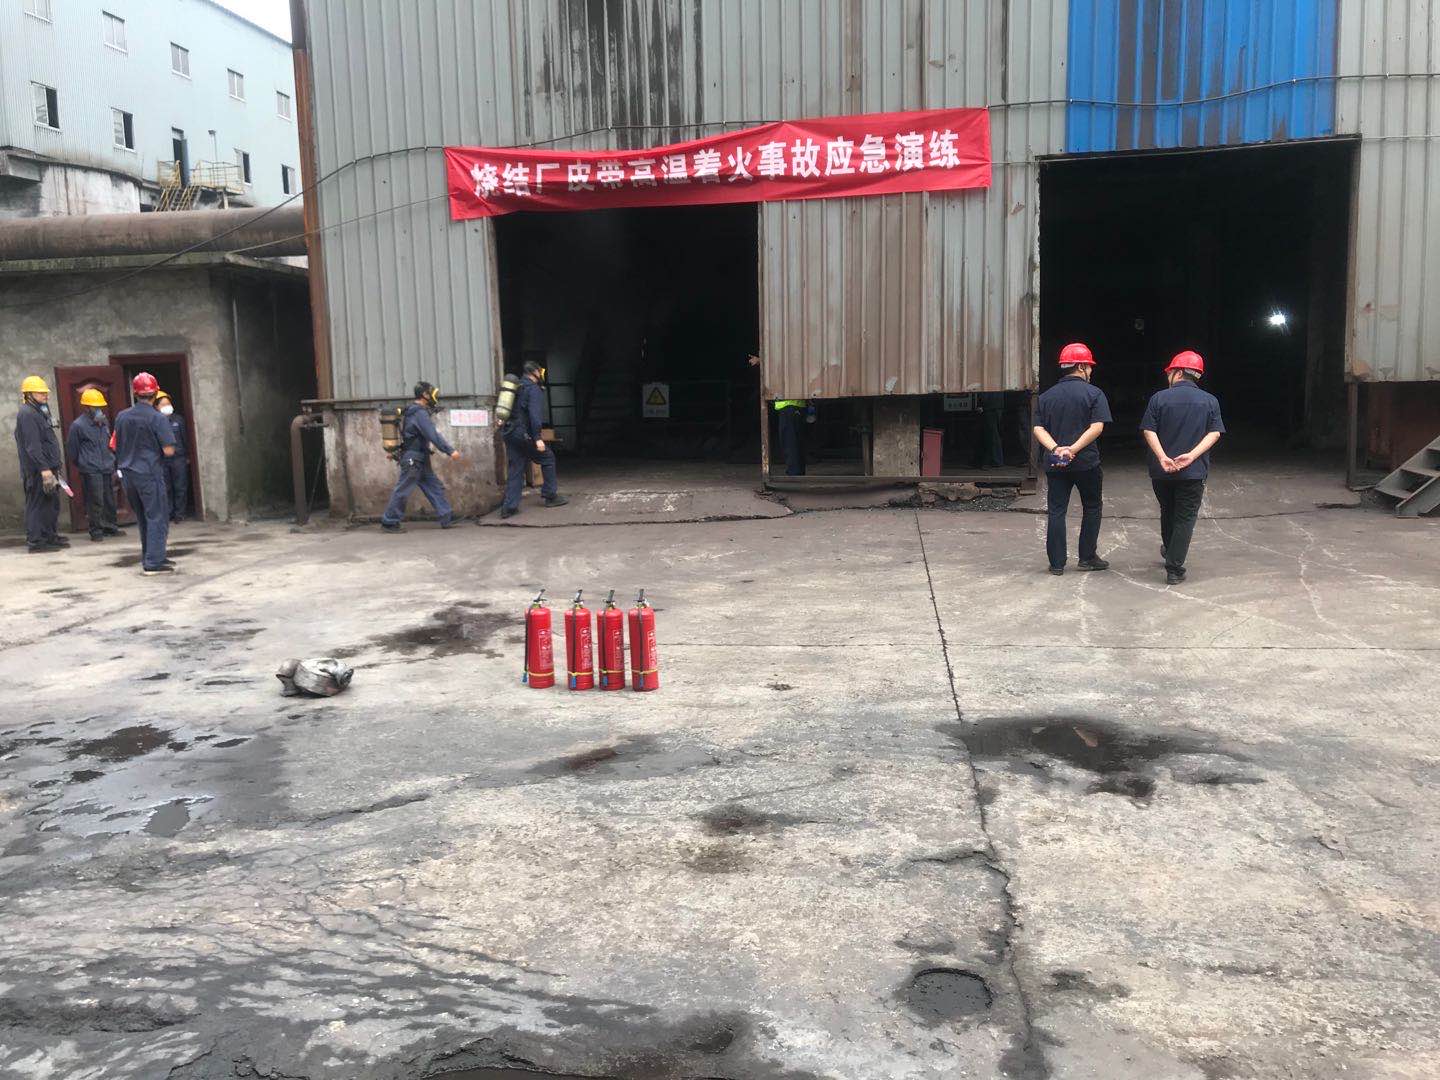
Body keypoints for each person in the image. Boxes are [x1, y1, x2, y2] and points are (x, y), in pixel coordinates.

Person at [1141, 350, 1225, 585]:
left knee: (1167, 510)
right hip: (1193, 471)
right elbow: (1215, 433)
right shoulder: (1210, 401)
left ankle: (1170, 551)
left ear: (1177, 372)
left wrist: (1162, 457)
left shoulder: (1158, 398)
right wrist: (1192, 456)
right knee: (1185, 517)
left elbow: (1149, 430)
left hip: (1161, 471)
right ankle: (1174, 568)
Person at [1032, 342, 1112, 576]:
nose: (1091, 371)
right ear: (1081, 366)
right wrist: (1074, 449)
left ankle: (1057, 563)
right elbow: (1097, 427)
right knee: (1092, 507)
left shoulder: (1046, 397)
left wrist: (1057, 449)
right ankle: (1087, 558)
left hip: (1056, 463)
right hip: (1086, 463)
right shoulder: (1094, 394)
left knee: (1057, 510)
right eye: (1090, 366)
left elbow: (1038, 429)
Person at [114, 371, 178, 575]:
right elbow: (169, 450)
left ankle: (151, 556)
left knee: (143, 517)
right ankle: (154, 562)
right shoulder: (158, 418)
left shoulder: (122, 417)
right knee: (157, 516)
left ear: (135, 393)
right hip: (148, 473)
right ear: (155, 393)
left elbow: (114, 444)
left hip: (128, 474)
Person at [380, 381, 463, 532]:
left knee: (433, 486)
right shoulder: (419, 413)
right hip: (414, 459)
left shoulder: (414, 411)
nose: (434, 396)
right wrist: (450, 451)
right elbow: (432, 434)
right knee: (403, 490)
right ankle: (389, 521)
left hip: (420, 457)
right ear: (425, 395)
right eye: (432, 393)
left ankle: (447, 516)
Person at [500, 361, 567, 519]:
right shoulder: (533, 389)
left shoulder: (517, 387)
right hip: (523, 433)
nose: (542, 374)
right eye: (540, 371)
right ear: (535, 372)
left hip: (509, 432)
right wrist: (537, 438)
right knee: (547, 458)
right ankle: (550, 496)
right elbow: (534, 416)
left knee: (516, 467)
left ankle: (509, 508)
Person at [14, 375, 69, 555]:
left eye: (45, 392)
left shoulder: (40, 411)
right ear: (29, 394)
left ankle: (50, 536)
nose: (45, 395)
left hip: (49, 466)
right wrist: (44, 469)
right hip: (37, 470)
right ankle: (36, 541)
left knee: (50, 503)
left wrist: (53, 466)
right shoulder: (27, 414)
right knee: (37, 504)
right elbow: (33, 446)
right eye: (40, 393)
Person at [65, 388, 121, 541]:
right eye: (95, 407)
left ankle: (110, 527)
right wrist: (84, 463)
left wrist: (112, 461)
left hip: (107, 466)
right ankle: (96, 530)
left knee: (109, 499)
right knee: (95, 500)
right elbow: (72, 450)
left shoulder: (103, 422)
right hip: (91, 469)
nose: (98, 410)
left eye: (100, 407)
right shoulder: (78, 426)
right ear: (87, 407)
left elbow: (109, 443)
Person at [153, 391, 190, 523]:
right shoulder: (154, 421)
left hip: (178, 458)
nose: (167, 406)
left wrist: (188, 455)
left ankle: (180, 513)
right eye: (163, 404)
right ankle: (168, 512)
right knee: (165, 487)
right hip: (162, 459)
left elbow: (185, 438)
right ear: (156, 407)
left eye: (168, 403)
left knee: (180, 486)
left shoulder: (178, 420)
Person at [772, 398, 806, 476]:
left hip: (788, 405)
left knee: (789, 442)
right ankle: (797, 472)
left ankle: (793, 473)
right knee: (795, 441)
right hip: (795, 406)